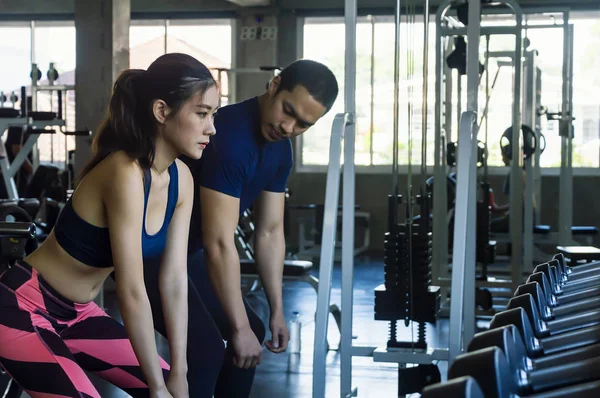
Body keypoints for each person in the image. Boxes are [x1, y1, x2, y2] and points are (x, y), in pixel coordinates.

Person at [0, 52, 218, 398]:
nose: (212, 128)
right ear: (161, 111)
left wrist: (179, 371)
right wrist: (158, 388)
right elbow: (131, 290)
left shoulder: (182, 180)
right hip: (22, 309)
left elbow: (174, 279)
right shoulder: (125, 172)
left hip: (81, 315)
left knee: (173, 389)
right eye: (202, 113)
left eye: (214, 115)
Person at [143, 59, 339, 397]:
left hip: (185, 254)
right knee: (206, 350)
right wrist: (238, 327)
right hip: (148, 253)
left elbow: (270, 230)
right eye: (287, 111)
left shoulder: (281, 151)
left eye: (303, 124)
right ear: (274, 85)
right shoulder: (230, 137)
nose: (289, 127)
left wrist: (277, 308)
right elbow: (219, 242)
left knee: (255, 329)